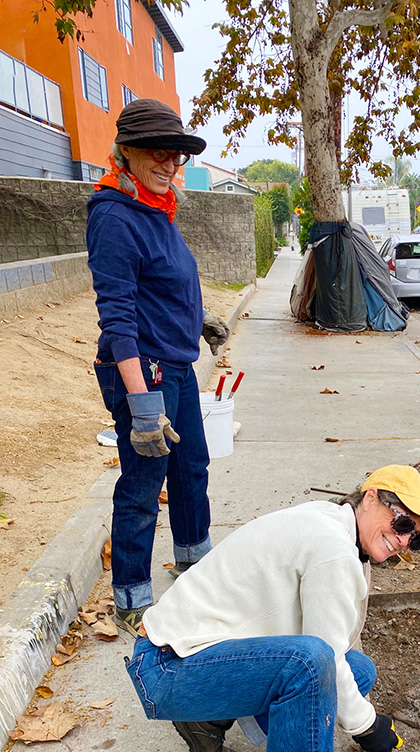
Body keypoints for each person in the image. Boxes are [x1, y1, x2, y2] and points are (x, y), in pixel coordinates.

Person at [126, 465, 420, 752]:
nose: (404, 540)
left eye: (417, 539)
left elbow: (337, 651)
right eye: (402, 522)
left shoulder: (335, 529)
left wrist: (356, 713)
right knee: (313, 666)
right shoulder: (333, 548)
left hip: (191, 657)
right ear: (370, 497)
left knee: (357, 670)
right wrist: (368, 726)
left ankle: (208, 721)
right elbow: (323, 655)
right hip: (167, 667)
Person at [87, 99, 230, 636]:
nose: (170, 164)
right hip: (142, 371)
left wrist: (200, 318)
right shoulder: (115, 216)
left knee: (192, 469)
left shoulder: (157, 208)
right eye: (158, 154)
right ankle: (131, 596)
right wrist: (142, 405)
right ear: (127, 152)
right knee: (144, 483)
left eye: (175, 155)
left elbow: (166, 285)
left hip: (177, 365)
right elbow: (119, 316)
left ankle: (196, 563)